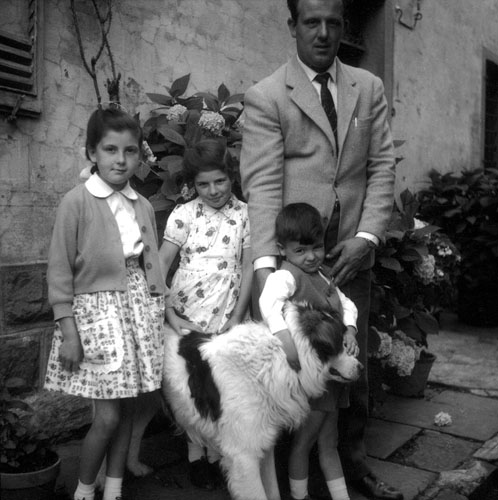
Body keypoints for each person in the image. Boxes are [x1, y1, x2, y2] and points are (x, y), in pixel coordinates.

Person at [239, 1, 400, 498]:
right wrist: (267, 270)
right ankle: (284, 475)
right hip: (295, 262)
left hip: (350, 257)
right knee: (286, 369)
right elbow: (263, 185)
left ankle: (352, 465)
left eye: (333, 22)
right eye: (312, 22)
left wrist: (367, 238)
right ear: (293, 26)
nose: (324, 33)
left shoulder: (367, 88)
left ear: (344, 26)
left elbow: (382, 167)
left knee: (350, 364)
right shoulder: (267, 96)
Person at [44, 106, 192, 500]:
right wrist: (68, 331)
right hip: (97, 319)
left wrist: (168, 314)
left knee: (127, 411)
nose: (121, 160)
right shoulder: (76, 202)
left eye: (130, 151)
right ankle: (83, 490)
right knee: (107, 417)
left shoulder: (140, 204)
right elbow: (59, 270)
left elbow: (152, 267)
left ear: (140, 156)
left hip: (136, 313)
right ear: (92, 152)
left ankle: (113, 489)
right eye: (110, 150)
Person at [158, 138, 253, 489]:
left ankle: (217, 454)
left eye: (220, 181)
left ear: (232, 177)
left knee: (221, 384)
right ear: (192, 184)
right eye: (203, 184)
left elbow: (247, 267)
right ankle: (195, 454)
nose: (213, 191)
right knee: (190, 384)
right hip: (188, 311)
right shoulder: (183, 214)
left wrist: (237, 317)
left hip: (227, 310)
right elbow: (160, 265)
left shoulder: (245, 215)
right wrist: (170, 312)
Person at [259, 203, 358, 500]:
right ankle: (299, 496)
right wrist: (284, 339)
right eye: (300, 250)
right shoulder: (287, 276)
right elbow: (268, 302)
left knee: (329, 441)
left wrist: (350, 329)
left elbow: (346, 304)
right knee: (304, 442)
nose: (311, 256)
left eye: (317, 247)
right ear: (283, 250)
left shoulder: (323, 276)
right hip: (312, 378)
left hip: (334, 375)